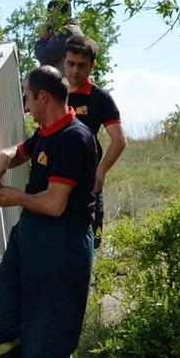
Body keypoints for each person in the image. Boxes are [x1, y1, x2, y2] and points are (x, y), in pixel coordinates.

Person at [0, 65, 97, 358]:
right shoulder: (48, 132)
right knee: (0, 324)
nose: (25, 105)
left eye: (27, 97)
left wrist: (16, 196)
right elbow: (23, 150)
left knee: (46, 339)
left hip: (61, 242)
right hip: (31, 236)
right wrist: (4, 154)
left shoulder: (75, 138)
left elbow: (54, 204)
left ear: (42, 97)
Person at [63, 34, 125, 248]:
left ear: (92, 66)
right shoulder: (53, 92)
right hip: (53, 180)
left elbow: (119, 140)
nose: (75, 71)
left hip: (87, 181)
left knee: (90, 242)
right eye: (70, 64)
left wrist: (102, 170)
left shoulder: (99, 97)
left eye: (82, 65)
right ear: (64, 61)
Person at [33, 0, 83, 68]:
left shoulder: (65, 31)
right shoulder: (73, 29)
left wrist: (43, 39)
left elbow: (45, 58)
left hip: (61, 78)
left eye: (50, 14)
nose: (48, 19)